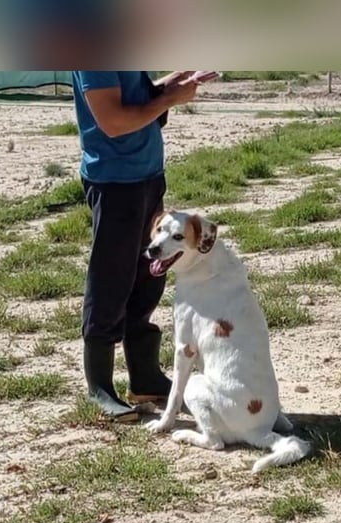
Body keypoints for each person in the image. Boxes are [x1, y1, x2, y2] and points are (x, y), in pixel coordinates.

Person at [72, 71, 201, 421]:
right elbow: (113, 121)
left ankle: (144, 379)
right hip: (115, 182)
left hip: (147, 175)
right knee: (110, 279)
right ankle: (99, 388)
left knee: (147, 277)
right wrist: (169, 99)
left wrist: (171, 84)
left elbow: (135, 97)